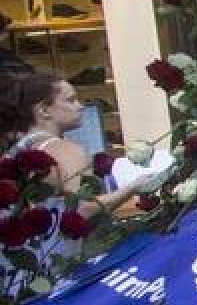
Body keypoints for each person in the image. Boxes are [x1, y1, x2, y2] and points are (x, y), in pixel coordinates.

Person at [0, 72, 148, 221]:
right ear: (44, 111)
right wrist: (133, 187)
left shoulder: (15, 150)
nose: (80, 106)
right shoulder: (64, 150)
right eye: (71, 100)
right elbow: (78, 212)